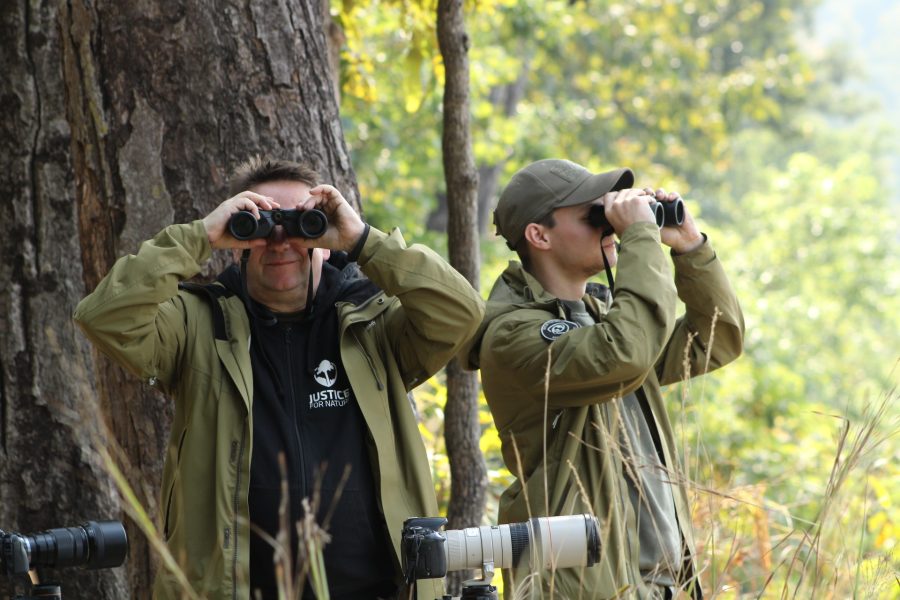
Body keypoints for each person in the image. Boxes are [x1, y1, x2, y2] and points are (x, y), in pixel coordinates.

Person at [74, 157, 484, 600]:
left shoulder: (375, 325)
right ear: (238, 239)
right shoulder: (197, 325)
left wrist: (365, 241)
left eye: (302, 223)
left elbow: (462, 313)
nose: (280, 239)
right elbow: (104, 316)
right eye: (262, 222)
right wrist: (201, 235)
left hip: (377, 589)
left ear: (326, 238)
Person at [461, 159, 744, 599]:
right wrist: (639, 237)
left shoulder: (603, 316)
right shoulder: (513, 335)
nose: (608, 225)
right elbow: (625, 352)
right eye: (594, 216)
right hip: (586, 583)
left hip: (658, 582)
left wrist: (690, 247)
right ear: (540, 235)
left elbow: (715, 338)